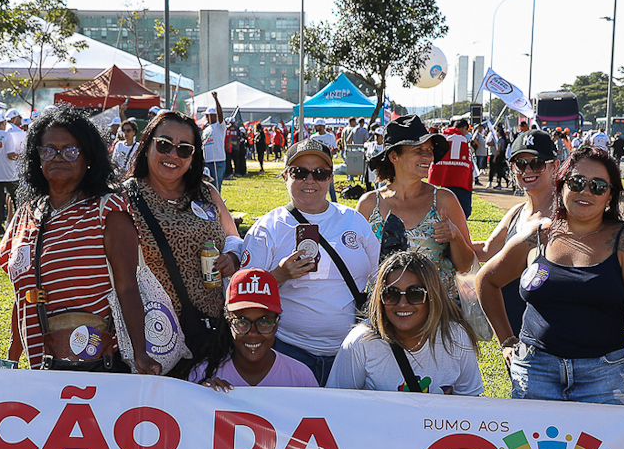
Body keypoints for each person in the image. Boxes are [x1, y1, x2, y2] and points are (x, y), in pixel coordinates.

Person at [479, 145, 624, 429]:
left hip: (604, 379)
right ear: (561, 187)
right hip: (536, 373)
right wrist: (507, 341)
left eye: (598, 186)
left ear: (610, 196)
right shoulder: (539, 236)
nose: (586, 192)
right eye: (576, 183)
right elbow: (487, 281)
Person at [0, 106, 158, 374]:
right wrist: (12, 357)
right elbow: (22, 293)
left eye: (70, 151)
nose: (58, 158)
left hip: (97, 365)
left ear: (89, 158)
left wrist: (140, 353)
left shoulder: (108, 211)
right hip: (42, 369)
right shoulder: (24, 216)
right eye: (48, 150)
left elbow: (128, 287)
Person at [240, 138, 380, 385]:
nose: (310, 180)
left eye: (320, 173)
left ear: (330, 179)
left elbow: (380, 279)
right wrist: (279, 275)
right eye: (300, 172)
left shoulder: (353, 221)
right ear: (285, 176)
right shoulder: (268, 227)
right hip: (288, 351)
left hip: (352, 353)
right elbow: (243, 296)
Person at [123, 111, 243, 374]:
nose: (173, 156)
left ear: (194, 156)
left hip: (210, 327)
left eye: (184, 149)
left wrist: (232, 257)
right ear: (147, 145)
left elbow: (233, 236)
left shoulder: (206, 192)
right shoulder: (125, 198)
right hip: (155, 335)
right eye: (164, 145)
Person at [327, 249, 482, 395]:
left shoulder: (456, 338)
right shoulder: (361, 342)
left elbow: (469, 404)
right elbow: (336, 405)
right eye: (391, 294)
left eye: (414, 294)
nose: (402, 303)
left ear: (433, 297)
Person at [358, 115, 474, 299]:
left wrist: (455, 237)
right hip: (384, 313)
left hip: (438, 315)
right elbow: (356, 265)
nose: (428, 156)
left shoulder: (444, 200)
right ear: (394, 156)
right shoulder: (369, 204)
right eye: (418, 150)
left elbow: (466, 266)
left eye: (429, 150)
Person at [474, 130, 559, 336]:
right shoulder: (516, 213)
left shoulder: (566, 215)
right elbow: (487, 249)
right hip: (514, 330)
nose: (527, 170)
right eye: (519, 164)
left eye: (537, 163)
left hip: (552, 335)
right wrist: (445, 241)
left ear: (555, 166)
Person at [192, 267, 318, 389]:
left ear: (276, 323)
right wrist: (204, 396)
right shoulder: (203, 373)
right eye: (242, 322)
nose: (252, 333)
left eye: (264, 322)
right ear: (229, 322)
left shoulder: (301, 377)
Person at [427, 117, 476, 218]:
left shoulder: (440, 137)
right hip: (460, 178)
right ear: (463, 128)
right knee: (462, 209)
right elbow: (469, 160)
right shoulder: (463, 140)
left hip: (441, 177)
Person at [200, 94, 227, 187]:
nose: (207, 117)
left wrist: (216, 99)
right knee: (207, 186)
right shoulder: (206, 129)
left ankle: (216, 201)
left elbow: (220, 115)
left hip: (218, 161)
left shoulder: (220, 126)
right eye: (207, 116)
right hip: (207, 161)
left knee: (216, 187)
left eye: (209, 115)